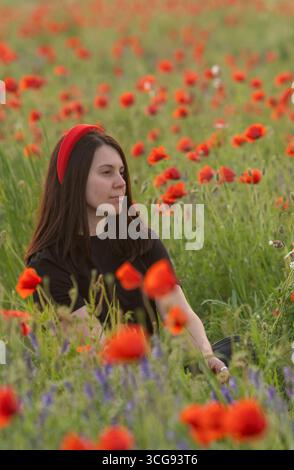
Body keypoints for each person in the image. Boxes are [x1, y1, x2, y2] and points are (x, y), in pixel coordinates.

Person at [24, 124, 229, 377]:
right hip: (110, 389)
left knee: (238, 352)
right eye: (106, 172)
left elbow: (178, 312)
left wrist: (206, 360)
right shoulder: (48, 266)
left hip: (162, 370)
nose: (120, 183)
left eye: (121, 172)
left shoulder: (137, 239)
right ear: (75, 179)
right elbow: (97, 351)